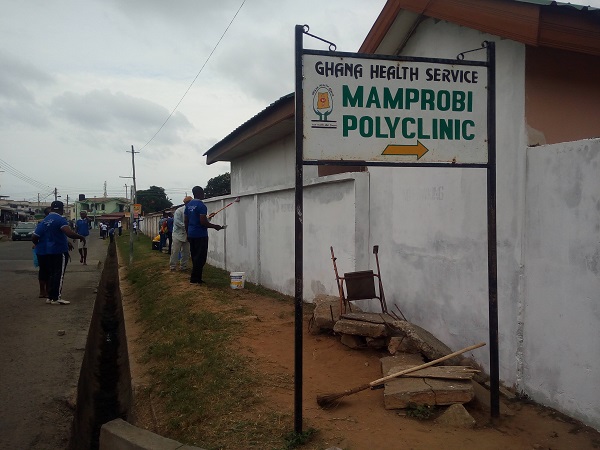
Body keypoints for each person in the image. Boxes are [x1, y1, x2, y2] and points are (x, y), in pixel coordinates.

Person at [32, 201, 87, 305]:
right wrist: (80, 237)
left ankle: (50, 297)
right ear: (61, 209)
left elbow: (35, 236)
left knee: (52, 274)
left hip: (48, 251)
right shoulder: (60, 219)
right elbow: (68, 232)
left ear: (52, 208)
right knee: (59, 274)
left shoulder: (45, 220)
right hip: (59, 250)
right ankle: (56, 298)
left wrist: (38, 244)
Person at [184, 186, 224, 284]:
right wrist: (215, 226)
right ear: (200, 193)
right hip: (200, 235)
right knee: (201, 257)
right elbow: (203, 222)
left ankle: (195, 278)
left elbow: (186, 221)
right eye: (203, 193)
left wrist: (188, 233)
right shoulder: (201, 205)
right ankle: (195, 279)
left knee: (194, 256)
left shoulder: (188, 205)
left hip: (191, 234)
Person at [170, 197, 192, 271]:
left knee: (186, 252)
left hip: (187, 234)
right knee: (175, 251)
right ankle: (172, 266)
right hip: (178, 234)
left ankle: (183, 266)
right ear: (186, 203)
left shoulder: (192, 210)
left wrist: (208, 218)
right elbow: (177, 222)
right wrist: (188, 227)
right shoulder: (179, 211)